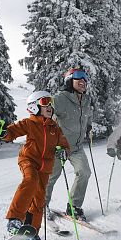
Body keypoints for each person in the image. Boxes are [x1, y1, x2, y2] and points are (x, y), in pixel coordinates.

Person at [0, 90, 69, 240]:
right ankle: (14, 219)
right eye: (45, 102)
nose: (49, 106)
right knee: (30, 180)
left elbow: (63, 143)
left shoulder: (54, 127)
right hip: (28, 160)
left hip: (45, 167)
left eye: (51, 103)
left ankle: (31, 233)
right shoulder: (29, 123)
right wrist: (4, 133)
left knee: (39, 201)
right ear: (34, 106)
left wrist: (63, 150)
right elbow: (13, 131)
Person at [45, 67, 93, 221]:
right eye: (78, 77)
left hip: (77, 147)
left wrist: (89, 126)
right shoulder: (60, 98)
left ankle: (74, 207)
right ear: (68, 80)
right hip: (58, 147)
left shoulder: (86, 100)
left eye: (85, 77)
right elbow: (44, 114)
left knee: (84, 172)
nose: (83, 80)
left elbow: (87, 116)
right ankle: (41, 206)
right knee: (50, 177)